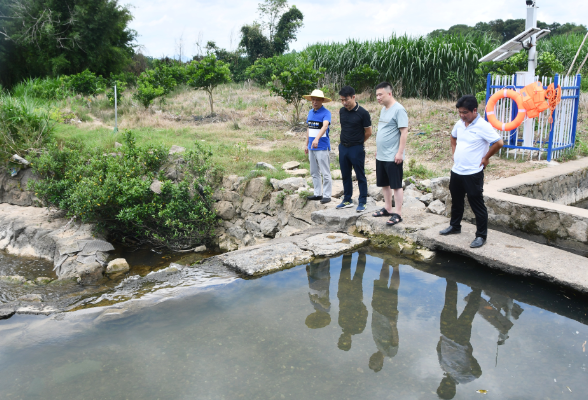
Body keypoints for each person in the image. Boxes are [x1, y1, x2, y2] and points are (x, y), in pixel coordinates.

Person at [439, 95, 504, 248]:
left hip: (473, 172)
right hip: (457, 171)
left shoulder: (483, 126)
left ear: (474, 110)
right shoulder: (460, 124)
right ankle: (455, 226)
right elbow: (453, 137)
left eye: (465, 112)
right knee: (456, 200)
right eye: (460, 112)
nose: (462, 115)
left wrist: (486, 157)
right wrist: (454, 152)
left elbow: (499, 142)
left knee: (477, 204)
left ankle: (481, 236)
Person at [436, 280, 482, 399]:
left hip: (446, 333)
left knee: (449, 304)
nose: (444, 384)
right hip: (460, 340)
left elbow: (438, 350)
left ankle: (451, 281)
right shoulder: (463, 379)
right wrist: (470, 357)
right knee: (469, 311)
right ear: (453, 389)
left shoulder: (443, 367)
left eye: (441, 386)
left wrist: (441, 340)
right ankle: (477, 290)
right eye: (446, 388)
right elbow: (477, 373)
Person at [371, 82, 409, 226]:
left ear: (389, 93)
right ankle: (387, 208)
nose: (378, 98)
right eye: (376, 95)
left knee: (396, 185)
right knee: (384, 184)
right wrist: (378, 149)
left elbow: (404, 132)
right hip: (381, 154)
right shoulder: (383, 110)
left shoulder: (399, 110)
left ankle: (398, 213)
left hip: (393, 155)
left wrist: (400, 153)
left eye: (380, 94)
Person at [336, 86, 372, 212]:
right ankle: (347, 199)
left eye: (346, 99)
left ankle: (362, 201)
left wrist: (358, 143)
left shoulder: (363, 113)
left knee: (360, 175)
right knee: (345, 175)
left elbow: (368, 132)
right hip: (343, 148)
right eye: (342, 100)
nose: (344, 102)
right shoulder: (342, 111)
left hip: (356, 149)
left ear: (353, 97)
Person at [368, 262, 400, 373]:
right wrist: (393, 325)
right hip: (388, 318)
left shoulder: (378, 345)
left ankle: (386, 262)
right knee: (393, 290)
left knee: (381, 285)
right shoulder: (390, 353)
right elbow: (395, 341)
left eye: (370, 362)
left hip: (377, 312)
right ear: (381, 364)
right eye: (373, 363)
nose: (371, 360)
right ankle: (396, 267)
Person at [303, 89, 333, 204]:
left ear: (322, 101)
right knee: (314, 171)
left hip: (321, 146)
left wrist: (317, 139)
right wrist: (306, 144)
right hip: (311, 147)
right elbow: (309, 128)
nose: (315, 102)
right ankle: (317, 193)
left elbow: (325, 126)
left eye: (317, 100)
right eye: (313, 100)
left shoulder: (326, 113)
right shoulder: (310, 112)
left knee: (325, 172)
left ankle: (327, 195)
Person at [337, 253, 368, 351]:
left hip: (343, 295)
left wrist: (341, 296)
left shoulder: (341, 323)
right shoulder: (358, 329)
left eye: (341, 340)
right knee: (359, 274)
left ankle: (347, 252)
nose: (343, 338)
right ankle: (362, 253)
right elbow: (365, 314)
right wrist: (359, 302)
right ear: (350, 341)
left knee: (344, 271)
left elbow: (341, 308)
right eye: (345, 341)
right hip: (356, 297)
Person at [304, 259, 332, 329]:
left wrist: (308, 275)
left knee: (313, 262)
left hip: (313, 280)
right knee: (323, 261)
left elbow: (311, 290)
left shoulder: (315, 307)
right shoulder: (325, 310)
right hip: (321, 281)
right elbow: (326, 305)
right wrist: (318, 300)